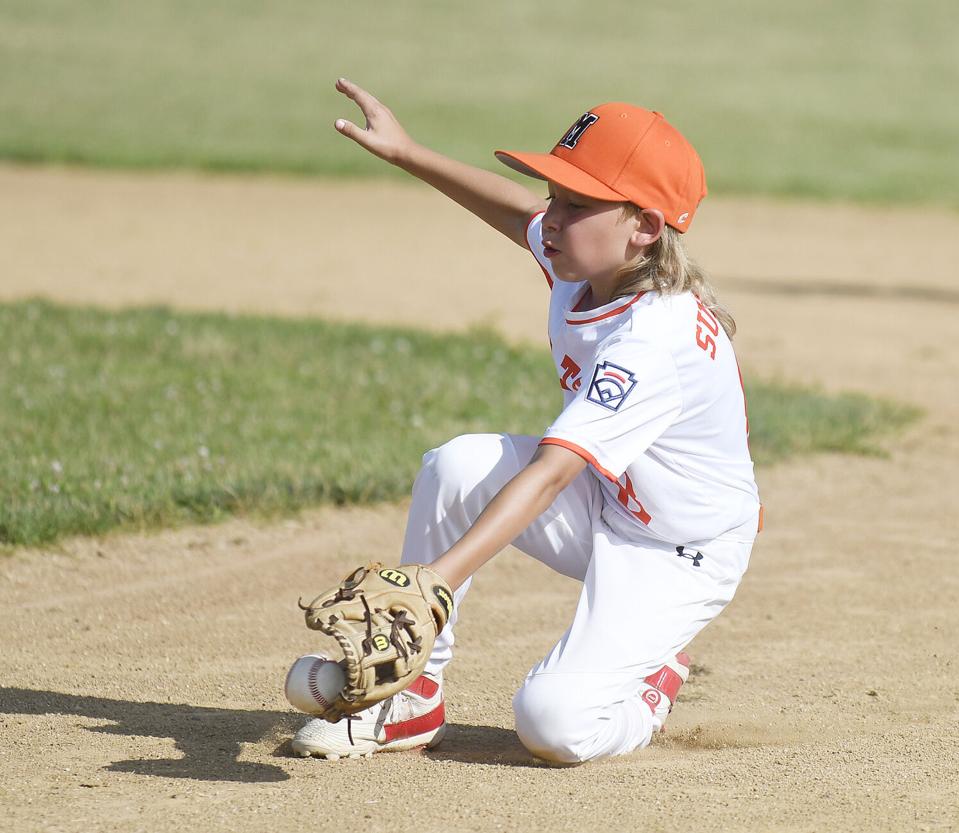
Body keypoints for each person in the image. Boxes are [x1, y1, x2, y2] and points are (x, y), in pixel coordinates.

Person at [292, 79, 763, 764]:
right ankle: (412, 699)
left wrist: (436, 582)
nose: (552, 216)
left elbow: (550, 473)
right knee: (454, 466)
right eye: (555, 194)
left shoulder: (652, 340)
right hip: (609, 503)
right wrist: (408, 154)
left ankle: (652, 684)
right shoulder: (596, 261)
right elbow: (519, 217)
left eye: (575, 203)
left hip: (680, 551)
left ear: (646, 226)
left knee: (552, 725)